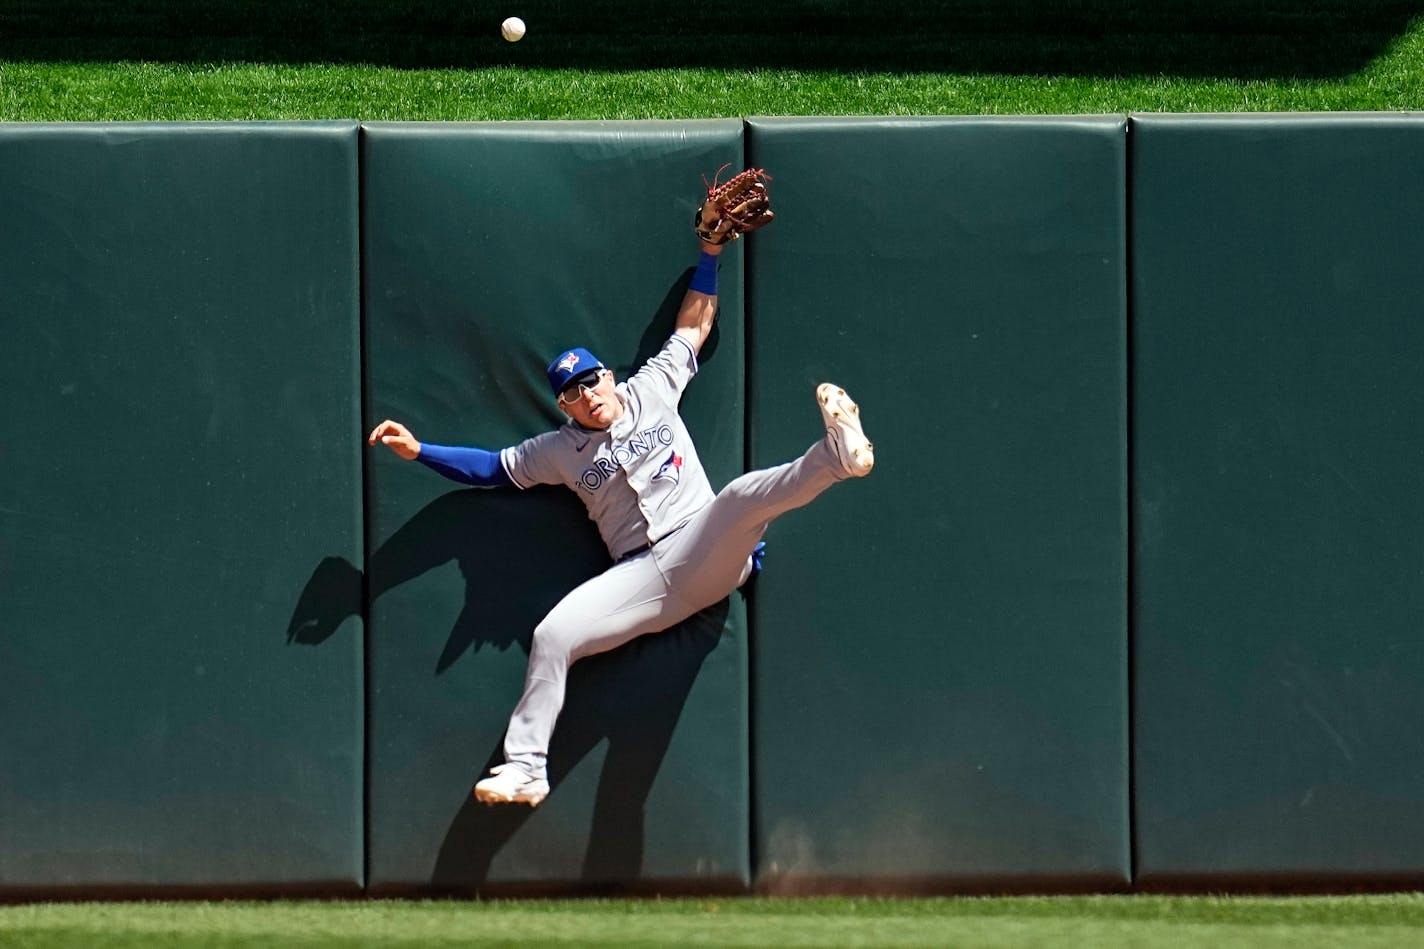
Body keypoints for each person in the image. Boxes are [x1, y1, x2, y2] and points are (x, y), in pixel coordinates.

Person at [368, 235, 873, 807]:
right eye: (571, 394)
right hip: (644, 581)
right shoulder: (557, 450)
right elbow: (492, 469)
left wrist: (709, 249)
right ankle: (527, 767)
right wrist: (420, 451)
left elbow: (693, 328)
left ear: (608, 376)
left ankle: (835, 457)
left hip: (703, 540)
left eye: (589, 382)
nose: (585, 397)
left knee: (736, 498)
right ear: (564, 407)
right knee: (552, 635)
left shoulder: (651, 388)